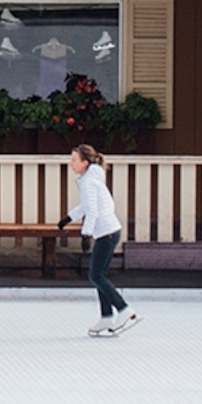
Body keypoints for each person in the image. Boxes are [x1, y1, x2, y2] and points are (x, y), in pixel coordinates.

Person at [66, 142, 133, 336]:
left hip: (107, 233)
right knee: (99, 275)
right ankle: (106, 317)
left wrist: (85, 234)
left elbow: (92, 210)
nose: (71, 164)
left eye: (74, 160)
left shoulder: (88, 182)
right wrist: (69, 217)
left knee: (95, 276)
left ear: (85, 162)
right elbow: (87, 206)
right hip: (109, 232)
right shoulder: (91, 179)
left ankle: (123, 309)